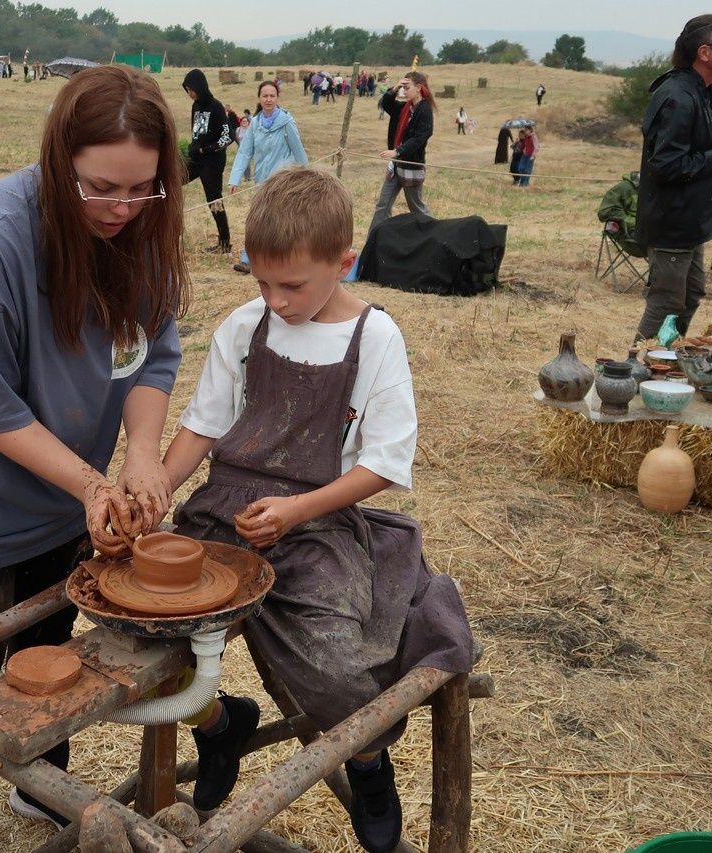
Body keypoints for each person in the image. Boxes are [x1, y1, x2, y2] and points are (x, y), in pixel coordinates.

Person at [0, 64, 188, 829]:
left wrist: (144, 453)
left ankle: (38, 787)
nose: (122, 208)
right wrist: (93, 485)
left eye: (140, 188)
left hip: (65, 489)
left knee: (53, 649)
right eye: (101, 187)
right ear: (59, 158)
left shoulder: (142, 227)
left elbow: (150, 354)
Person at [162, 167, 473, 852]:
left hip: (321, 517)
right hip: (225, 510)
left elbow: (385, 464)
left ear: (344, 260)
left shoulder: (374, 338)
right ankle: (219, 725)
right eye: (261, 282)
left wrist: (299, 510)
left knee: (338, 664)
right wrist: (157, 485)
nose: (274, 299)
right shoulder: (245, 326)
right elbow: (203, 427)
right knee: (156, 633)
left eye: (292, 285)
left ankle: (366, 762)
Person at [634, 14, 712, 342]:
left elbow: (687, 146)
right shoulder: (678, 97)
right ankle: (633, 370)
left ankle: (664, 361)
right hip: (671, 222)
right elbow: (665, 165)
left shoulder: (702, 90)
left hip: (690, 222)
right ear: (704, 52)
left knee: (690, 295)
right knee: (667, 301)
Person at [228, 81, 309, 274]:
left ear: (277, 98)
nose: (268, 99)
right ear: (259, 98)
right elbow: (244, 152)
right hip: (262, 181)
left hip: (283, 181)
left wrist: (306, 174)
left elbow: (298, 149)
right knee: (256, 220)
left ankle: (287, 259)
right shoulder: (255, 124)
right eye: (265, 96)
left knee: (283, 221)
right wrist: (234, 178)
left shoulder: (287, 122)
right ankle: (248, 259)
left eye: (272, 96)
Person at [369, 71, 435, 233]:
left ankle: (436, 234)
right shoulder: (404, 108)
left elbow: (420, 137)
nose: (404, 91)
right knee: (382, 205)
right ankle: (374, 241)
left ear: (419, 88)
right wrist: (394, 88)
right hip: (396, 166)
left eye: (407, 87)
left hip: (411, 166)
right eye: (403, 87)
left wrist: (398, 151)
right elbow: (386, 103)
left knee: (417, 208)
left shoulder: (424, 110)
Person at [183, 68, 232, 254]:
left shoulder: (216, 106)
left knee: (214, 200)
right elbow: (197, 132)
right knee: (173, 179)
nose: (190, 94)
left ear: (200, 86)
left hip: (212, 162)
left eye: (191, 89)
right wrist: (193, 147)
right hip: (196, 160)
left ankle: (225, 243)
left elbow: (227, 137)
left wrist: (205, 149)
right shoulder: (195, 105)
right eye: (187, 90)